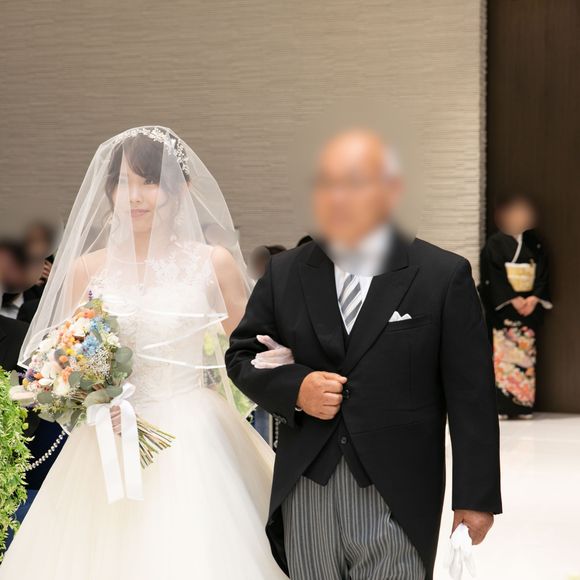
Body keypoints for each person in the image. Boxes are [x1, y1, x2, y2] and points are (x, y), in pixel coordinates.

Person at [0, 127, 287, 579]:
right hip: (105, 438)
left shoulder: (210, 263)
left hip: (193, 432)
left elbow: (249, 348)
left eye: (149, 182)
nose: (133, 196)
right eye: (121, 182)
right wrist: (88, 395)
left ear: (181, 188)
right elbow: (66, 353)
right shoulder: (86, 269)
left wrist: (287, 369)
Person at [226, 129, 502, 580]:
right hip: (307, 489)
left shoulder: (441, 275)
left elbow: (471, 395)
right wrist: (297, 389)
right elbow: (242, 355)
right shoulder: (286, 272)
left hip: (399, 492)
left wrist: (475, 497)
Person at [479, 193, 551, 418]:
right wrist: (513, 298)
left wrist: (534, 298)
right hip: (505, 312)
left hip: (527, 310)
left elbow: (542, 272)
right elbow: (492, 277)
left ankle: (523, 405)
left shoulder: (534, 243)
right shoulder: (494, 244)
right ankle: (502, 406)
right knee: (503, 359)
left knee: (525, 358)